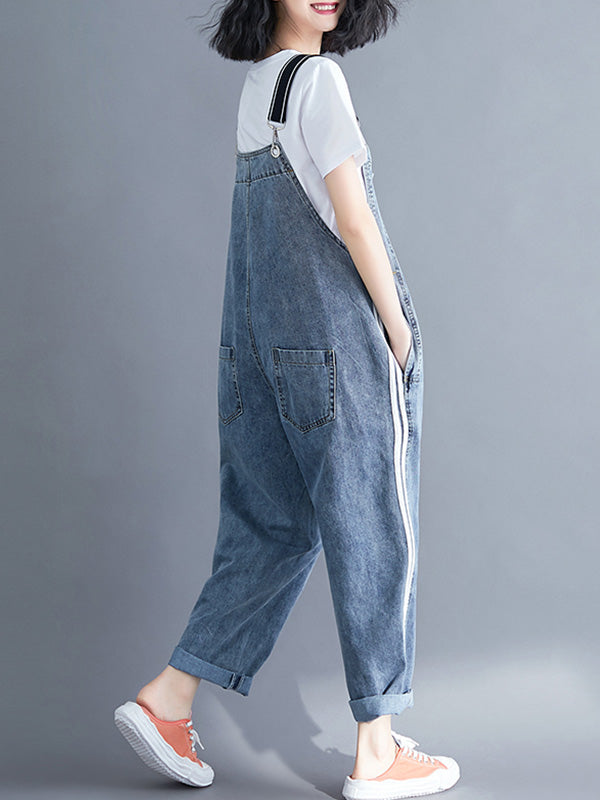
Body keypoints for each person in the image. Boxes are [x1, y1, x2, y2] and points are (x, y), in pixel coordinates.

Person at [114, 1, 461, 798]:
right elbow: (353, 220)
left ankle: (169, 698)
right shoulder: (320, 81)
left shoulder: (261, 87)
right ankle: (378, 750)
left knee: (271, 527)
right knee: (375, 520)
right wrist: (399, 329)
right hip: (335, 346)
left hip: (256, 351)